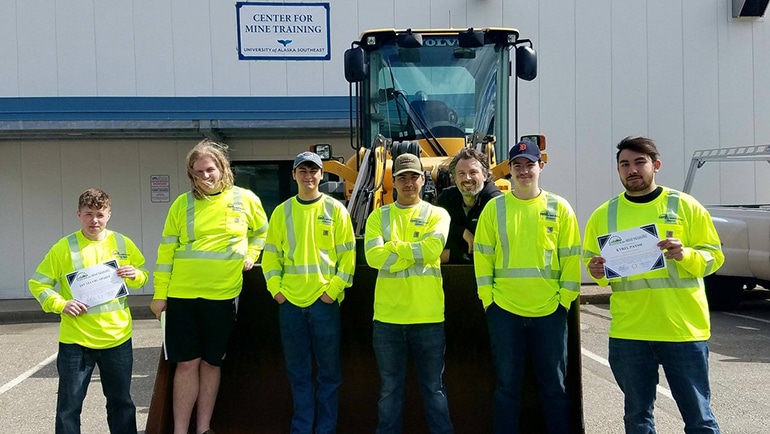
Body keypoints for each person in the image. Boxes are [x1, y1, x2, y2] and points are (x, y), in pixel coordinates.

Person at [583, 136, 724, 433]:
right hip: (630, 332)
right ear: (618, 170)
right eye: (624, 164)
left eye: (639, 162)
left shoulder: (685, 206)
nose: (632, 169)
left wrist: (686, 254)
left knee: (699, 418)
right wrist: (596, 269)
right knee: (637, 418)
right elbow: (592, 264)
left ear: (656, 165)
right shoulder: (603, 214)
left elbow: (714, 257)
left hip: (682, 330)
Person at [150, 139, 269, 434]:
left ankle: (204, 429)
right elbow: (166, 252)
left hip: (223, 295)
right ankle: (180, 430)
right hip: (182, 296)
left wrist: (252, 255)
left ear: (222, 168)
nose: (204, 177)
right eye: (197, 173)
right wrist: (159, 295)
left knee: (211, 364)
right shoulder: (182, 204)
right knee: (187, 365)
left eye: (209, 170)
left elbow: (263, 231)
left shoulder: (246, 199)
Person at [473, 141, 581, 434]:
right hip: (504, 311)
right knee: (507, 387)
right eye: (517, 165)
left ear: (541, 166)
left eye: (529, 164)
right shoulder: (495, 209)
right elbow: (483, 257)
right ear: (509, 171)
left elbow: (571, 257)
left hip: (550, 312)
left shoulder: (560, 208)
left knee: (554, 388)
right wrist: (489, 301)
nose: (524, 171)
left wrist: (564, 301)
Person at [29, 188, 149, 434]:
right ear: (78, 214)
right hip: (77, 341)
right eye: (88, 214)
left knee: (122, 404)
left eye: (100, 214)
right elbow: (38, 283)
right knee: (68, 408)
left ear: (109, 215)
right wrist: (61, 304)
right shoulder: (64, 247)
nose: (94, 220)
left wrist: (136, 275)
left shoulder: (123, 243)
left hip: (117, 338)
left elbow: (142, 275)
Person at [261, 151, 356, 434]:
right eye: (302, 170)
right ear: (294, 175)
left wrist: (332, 292)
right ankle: (302, 428)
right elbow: (270, 258)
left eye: (313, 170)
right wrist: (277, 291)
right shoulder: (282, 212)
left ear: (322, 174)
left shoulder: (336, 210)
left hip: (324, 304)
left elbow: (347, 258)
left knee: (329, 375)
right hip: (290, 304)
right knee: (298, 374)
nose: (308, 175)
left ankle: (325, 429)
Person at [364, 152, 454, 434]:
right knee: (389, 391)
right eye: (402, 177)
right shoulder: (378, 216)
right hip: (388, 319)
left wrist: (394, 247)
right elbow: (373, 258)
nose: (408, 183)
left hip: (427, 317)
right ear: (393, 181)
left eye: (413, 176)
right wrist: (413, 252)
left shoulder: (437, 214)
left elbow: (432, 251)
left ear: (422, 179)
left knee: (434, 389)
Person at [436, 147, 502, 264]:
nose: (467, 178)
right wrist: (462, 232)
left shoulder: (495, 202)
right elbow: (434, 234)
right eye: (461, 173)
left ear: (485, 175)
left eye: (473, 172)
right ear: (454, 178)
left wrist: (452, 254)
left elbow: (491, 249)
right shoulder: (446, 198)